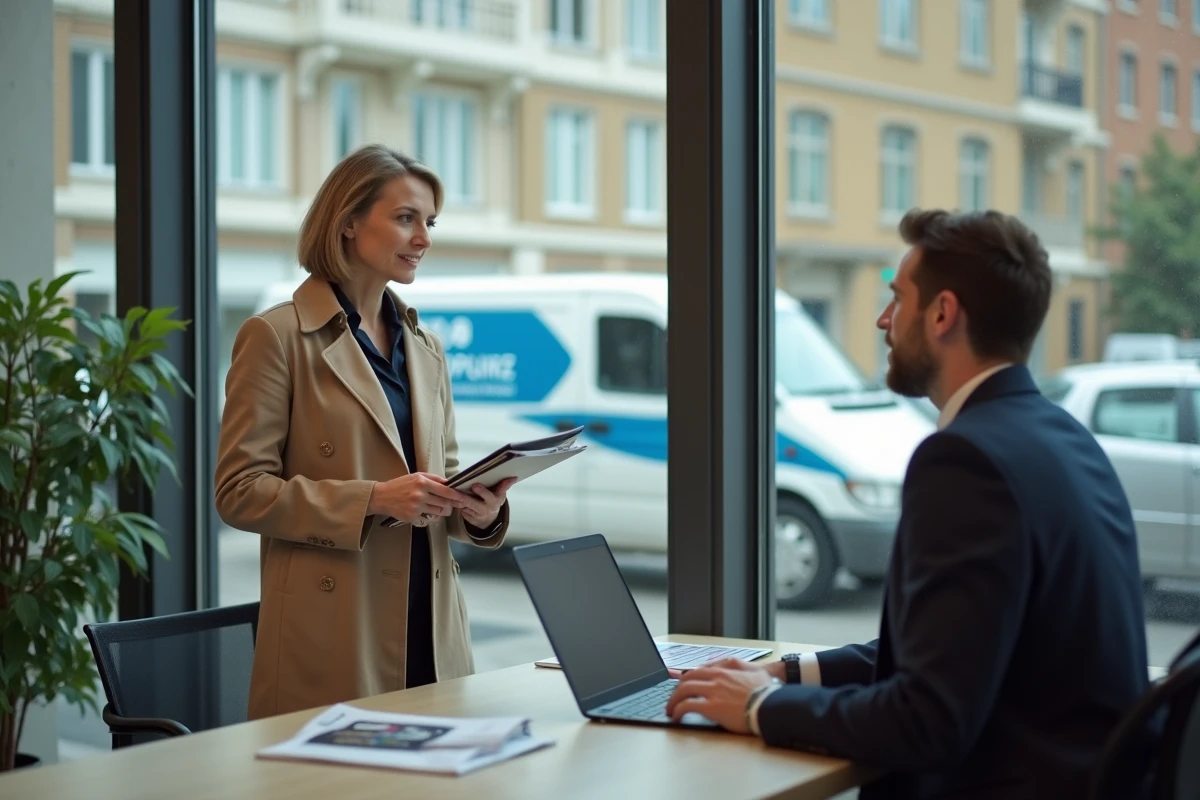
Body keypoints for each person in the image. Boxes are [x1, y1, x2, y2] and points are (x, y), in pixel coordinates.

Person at [666, 209, 1151, 798]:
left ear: (943, 313)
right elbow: (949, 651)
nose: (883, 319)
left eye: (897, 298)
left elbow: (927, 721)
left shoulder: (966, 460)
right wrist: (784, 673)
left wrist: (760, 707)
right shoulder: (1065, 438)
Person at [215, 144, 517, 720]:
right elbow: (238, 491)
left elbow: (440, 481)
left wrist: (476, 510)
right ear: (348, 221)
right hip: (336, 632)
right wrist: (375, 499)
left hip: (431, 626)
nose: (424, 238)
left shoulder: (425, 347)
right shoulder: (276, 336)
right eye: (406, 218)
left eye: (429, 222)